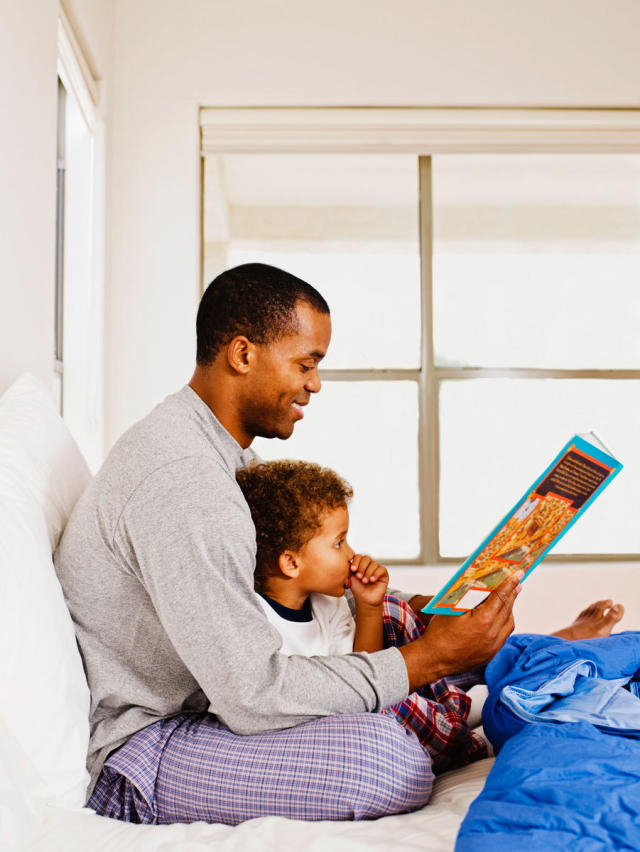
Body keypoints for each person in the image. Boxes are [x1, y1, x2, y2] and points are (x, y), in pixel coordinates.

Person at [54, 263, 623, 826]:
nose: (315, 384)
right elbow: (252, 693)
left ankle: (539, 658)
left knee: (408, 619)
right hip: (151, 745)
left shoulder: (220, 455)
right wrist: (428, 658)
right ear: (243, 353)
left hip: (213, 697)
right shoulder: (185, 482)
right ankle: (493, 678)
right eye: (306, 363)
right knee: (386, 758)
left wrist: (436, 610)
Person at [236, 458, 489, 774]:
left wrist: (369, 607)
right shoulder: (257, 624)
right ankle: (465, 742)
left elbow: (367, 670)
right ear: (291, 563)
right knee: (394, 705)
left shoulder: (327, 603)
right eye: (338, 543)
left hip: (356, 700)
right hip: (318, 732)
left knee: (392, 613)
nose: (351, 555)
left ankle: (456, 708)